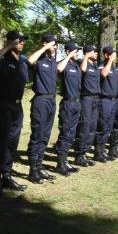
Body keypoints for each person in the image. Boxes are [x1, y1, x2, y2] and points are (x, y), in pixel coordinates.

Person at [0, 30, 30, 196]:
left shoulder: (22, 62)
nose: (21, 43)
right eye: (19, 40)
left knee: (13, 142)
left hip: (17, 107)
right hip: (4, 104)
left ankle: (7, 175)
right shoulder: (4, 59)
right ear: (11, 42)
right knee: (2, 141)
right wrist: (7, 47)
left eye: (22, 41)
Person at [25, 34, 59, 184]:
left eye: (56, 44)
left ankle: (39, 166)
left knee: (45, 135)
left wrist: (52, 50)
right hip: (41, 100)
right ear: (45, 43)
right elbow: (29, 61)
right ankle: (33, 170)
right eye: (53, 43)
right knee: (38, 134)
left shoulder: (52, 60)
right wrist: (45, 47)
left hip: (52, 100)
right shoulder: (39, 59)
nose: (55, 46)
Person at [54, 41, 84, 175]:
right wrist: (67, 56)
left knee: (72, 134)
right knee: (65, 133)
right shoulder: (64, 64)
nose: (77, 53)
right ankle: (60, 164)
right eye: (75, 51)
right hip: (67, 103)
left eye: (78, 51)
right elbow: (58, 69)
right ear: (68, 52)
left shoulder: (76, 65)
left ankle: (65, 161)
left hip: (77, 103)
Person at [74, 45, 101, 166]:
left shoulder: (95, 66)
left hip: (95, 99)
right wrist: (86, 57)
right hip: (86, 99)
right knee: (84, 126)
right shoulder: (82, 62)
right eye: (93, 52)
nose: (96, 53)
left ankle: (85, 152)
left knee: (92, 126)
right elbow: (82, 70)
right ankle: (79, 155)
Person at [94, 46, 118, 162]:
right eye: (112, 54)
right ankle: (98, 152)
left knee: (108, 126)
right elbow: (103, 74)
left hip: (113, 100)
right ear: (106, 55)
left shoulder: (114, 68)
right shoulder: (102, 65)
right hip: (104, 100)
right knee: (102, 126)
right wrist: (109, 61)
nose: (115, 56)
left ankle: (103, 150)